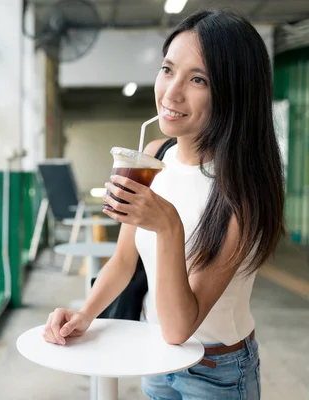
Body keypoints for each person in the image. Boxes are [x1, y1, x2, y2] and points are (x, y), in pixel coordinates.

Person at [42, 9, 285, 400]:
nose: (171, 93)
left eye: (198, 79)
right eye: (168, 69)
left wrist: (167, 224)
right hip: (154, 355)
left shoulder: (244, 192)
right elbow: (124, 262)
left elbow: (180, 327)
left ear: (234, 91)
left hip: (217, 372)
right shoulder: (154, 154)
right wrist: (85, 314)